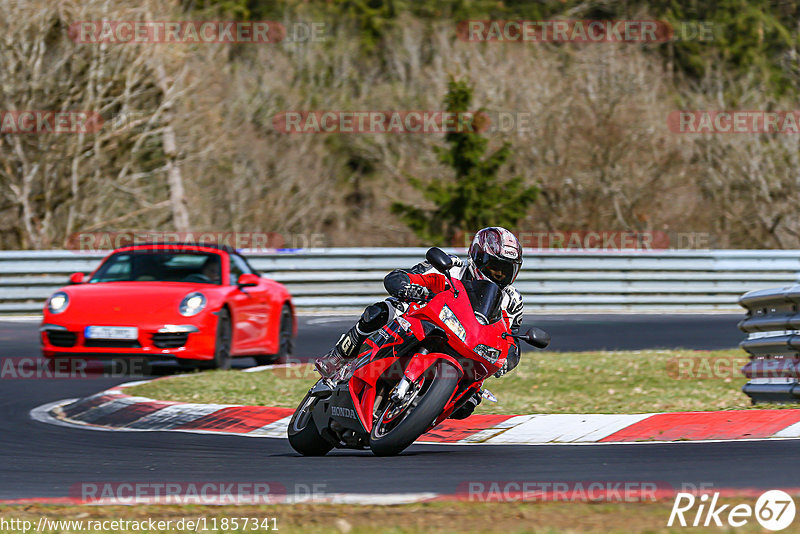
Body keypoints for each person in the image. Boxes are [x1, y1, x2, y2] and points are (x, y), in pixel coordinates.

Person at [315, 227, 525, 419]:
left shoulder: (512, 301)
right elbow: (400, 277)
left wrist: (508, 359)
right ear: (477, 257)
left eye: (505, 272)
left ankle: (417, 411)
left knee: (467, 404)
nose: (498, 276)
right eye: (494, 268)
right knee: (380, 312)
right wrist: (407, 287)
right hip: (425, 324)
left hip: (469, 348)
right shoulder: (450, 269)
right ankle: (337, 358)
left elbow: (512, 340)